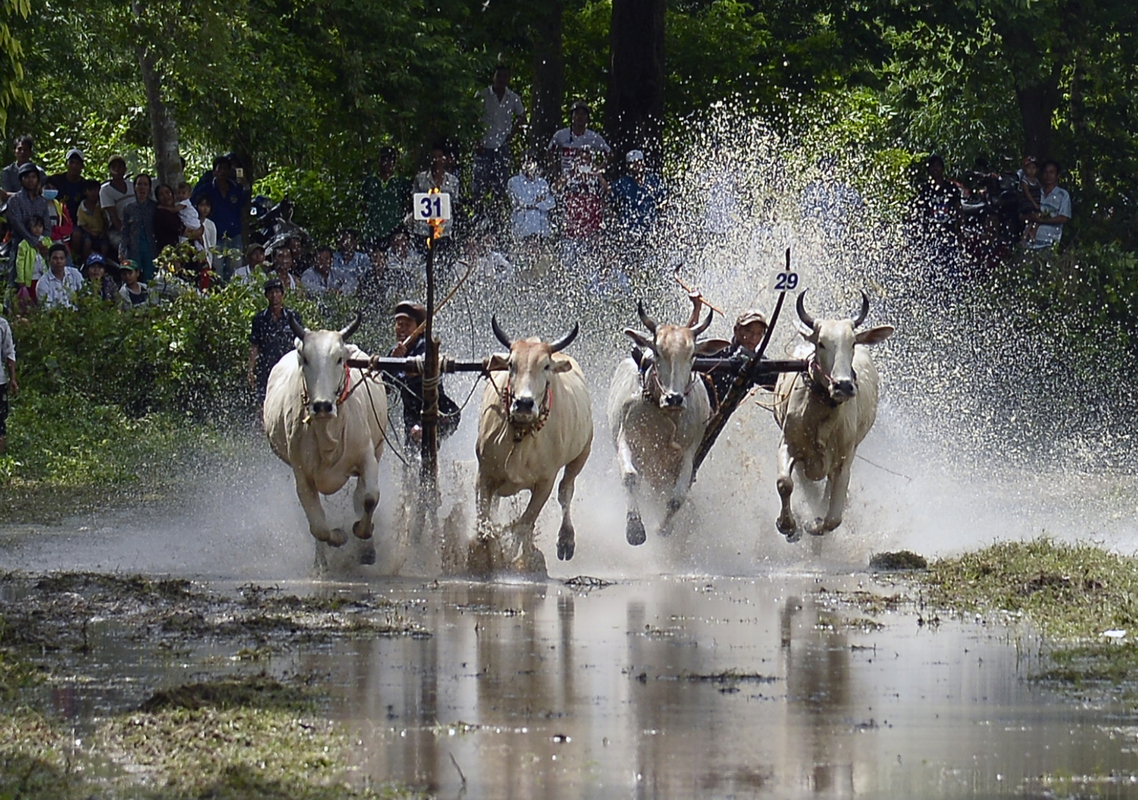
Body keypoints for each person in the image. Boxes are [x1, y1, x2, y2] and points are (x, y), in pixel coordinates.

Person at [382, 300, 460, 445]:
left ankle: (430, 440)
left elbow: (413, 376)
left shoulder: (427, 349)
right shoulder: (394, 352)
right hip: (411, 416)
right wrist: (393, 362)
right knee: (411, 459)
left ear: (419, 329)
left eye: (407, 325)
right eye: (399, 324)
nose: (402, 329)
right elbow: (385, 386)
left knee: (427, 443)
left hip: (439, 411)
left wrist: (404, 367)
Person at [705, 308, 775, 413]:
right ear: (736, 330)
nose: (753, 338)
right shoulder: (716, 350)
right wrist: (697, 310)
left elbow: (778, 382)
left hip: (720, 418)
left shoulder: (757, 362)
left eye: (759, 333)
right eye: (749, 331)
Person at [191, 154, 249, 280]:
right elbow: (193, 203)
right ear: (214, 171)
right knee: (217, 270)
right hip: (215, 235)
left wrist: (245, 185)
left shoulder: (235, 188)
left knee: (235, 270)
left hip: (234, 235)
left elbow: (244, 201)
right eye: (220, 169)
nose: (222, 172)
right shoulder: (206, 189)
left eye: (225, 169)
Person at [473, 65, 526, 203]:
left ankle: (498, 217)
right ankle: (478, 214)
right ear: (493, 77)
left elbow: (522, 116)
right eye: (499, 76)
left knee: (501, 184)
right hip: (484, 145)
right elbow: (473, 119)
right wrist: (477, 141)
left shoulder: (513, 98)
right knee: (480, 184)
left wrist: (512, 134)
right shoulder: (483, 95)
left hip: (502, 144)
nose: (501, 79)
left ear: (508, 78)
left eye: (505, 76)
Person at [247, 277, 301, 406]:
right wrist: (250, 369)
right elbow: (254, 345)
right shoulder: (259, 319)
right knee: (264, 404)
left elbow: (301, 342)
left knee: (290, 400)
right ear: (266, 296)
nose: (274, 296)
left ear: (282, 294)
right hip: (266, 368)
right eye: (271, 292)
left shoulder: (292, 317)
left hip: (288, 367)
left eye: (277, 292)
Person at [6, 162, 50, 283]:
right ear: (21, 179)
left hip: (41, 247)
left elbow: (47, 224)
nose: (30, 180)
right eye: (27, 177)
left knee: (42, 280)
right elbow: (17, 224)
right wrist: (34, 242)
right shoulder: (15, 200)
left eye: (33, 177)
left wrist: (44, 242)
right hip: (20, 244)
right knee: (16, 280)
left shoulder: (42, 202)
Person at [362, 146, 412, 247]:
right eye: (384, 159)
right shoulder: (370, 181)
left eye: (390, 159)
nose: (387, 162)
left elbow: (408, 203)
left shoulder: (402, 182)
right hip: (373, 231)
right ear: (379, 161)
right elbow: (364, 204)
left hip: (394, 232)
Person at [412, 143, 461, 242]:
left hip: (445, 230)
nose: (436, 160)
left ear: (444, 159)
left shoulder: (453, 181)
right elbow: (415, 202)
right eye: (433, 157)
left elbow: (455, 204)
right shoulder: (420, 179)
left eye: (439, 157)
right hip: (422, 230)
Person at [548, 100, 611, 176]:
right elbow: (550, 151)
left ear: (587, 118)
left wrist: (598, 170)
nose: (579, 116)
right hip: (565, 179)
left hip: (586, 180)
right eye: (577, 113)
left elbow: (609, 154)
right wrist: (554, 172)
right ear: (572, 117)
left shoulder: (594, 137)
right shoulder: (560, 135)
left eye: (583, 114)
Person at [610, 149, 666, 235]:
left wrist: (661, 221)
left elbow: (664, 201)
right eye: (632, 163)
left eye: (638, 162)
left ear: (643, 163)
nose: (636, 165)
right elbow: (609, 200)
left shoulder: (654, 181)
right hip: (628, 231)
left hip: (651, 230)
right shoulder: (622, 184)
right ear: (628, 166)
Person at [119, 174, 158, 281]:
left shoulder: (154, 207)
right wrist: (121, 250)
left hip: (151, 248)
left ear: (149, 188)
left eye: (145, 184)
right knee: (133, 276)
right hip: (134, 248)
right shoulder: (129, 208)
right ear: (134, 187)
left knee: (150, 277)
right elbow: (125, 231)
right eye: (139, 184)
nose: (142, 187)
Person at [1026, 160, 1071, 250]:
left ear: (1057, 175)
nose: (1048, 175)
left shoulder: (1062, 194)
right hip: (1029, 243)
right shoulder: (1036, 192)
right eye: (1046, 172)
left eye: (1051, 172)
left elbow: (1064, 218)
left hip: (1049, 243)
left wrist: (1043, 220)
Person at [506, 157, 555, 241]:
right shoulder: (514, 182)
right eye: (525, 162)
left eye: (531, 162)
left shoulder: (542, 182)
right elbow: (522, 201)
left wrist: (536, 203)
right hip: (522, 230)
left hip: (541, 231)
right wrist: (539, 201)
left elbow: (551, 203)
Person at [99, 154, 133, 251]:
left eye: (120, 167)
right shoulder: (105, 190)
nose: (117, 170)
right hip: (117, 229)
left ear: (125, 169)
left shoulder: (132, 185)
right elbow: (113, 216)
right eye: (114, 167)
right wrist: (126, 234)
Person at [36, 244, 84, 310]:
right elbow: (46, 308)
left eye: (62, 258)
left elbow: (85, 294)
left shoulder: (75, 273)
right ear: (49, 260)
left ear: (65, 260)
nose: (59, 261)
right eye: (55, 258)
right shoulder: (43, 282)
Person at [14, 215, 51, 301]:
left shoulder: (47, 241)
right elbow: (20, 263)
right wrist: (21, 279)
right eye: (35, 226)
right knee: (32, 299)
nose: (38, 229)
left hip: (43, 275)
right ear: (29, 228)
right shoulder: (24, 244)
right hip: (31, 277)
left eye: (40, 226)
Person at [74, 179, 110, 262]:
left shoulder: (101, 205)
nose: (94, 193)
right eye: (90, 190)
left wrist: (104, 232)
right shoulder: (81, 207)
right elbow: (82, 224)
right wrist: (91, 232)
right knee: (87, 243)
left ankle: (102, 264)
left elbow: (105, 220)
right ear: (85, 192)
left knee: (104, 245)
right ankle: (86, 263)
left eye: (96, 190)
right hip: (88, 232)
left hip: (101, 232)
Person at [1, 135, 46, 201]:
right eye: (19, 149)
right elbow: (5, 195)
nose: (22, 152)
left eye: (26, 150)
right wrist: (30, 195)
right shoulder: (7, 172)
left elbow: (43, 193)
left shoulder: (39, 172)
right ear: (14, 152)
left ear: (30, 152)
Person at [48, 148, 86, 221]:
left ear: (82, 166)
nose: (74, 166)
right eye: (71, 162)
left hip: (77, 222)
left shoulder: (85, 185)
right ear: (66, 164)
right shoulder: (55, 180)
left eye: (77, 163)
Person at [0, 308, 16, 455]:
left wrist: (13, 379)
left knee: (0, 420)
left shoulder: (2, 325)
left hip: (0, 381)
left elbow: (9, 352)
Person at [1017, 155, 1042, 245]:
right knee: (1031, 220)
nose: (1031, 170)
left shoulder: (1036, 181)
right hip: (1028, 205)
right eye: (1028, 168)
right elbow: (1028, 194)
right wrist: (1034, 204)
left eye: (1033, 168)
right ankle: (1024, 237)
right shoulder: (1024, 181)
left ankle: (1032, 234)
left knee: (1039, 219)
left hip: (1036, 205)